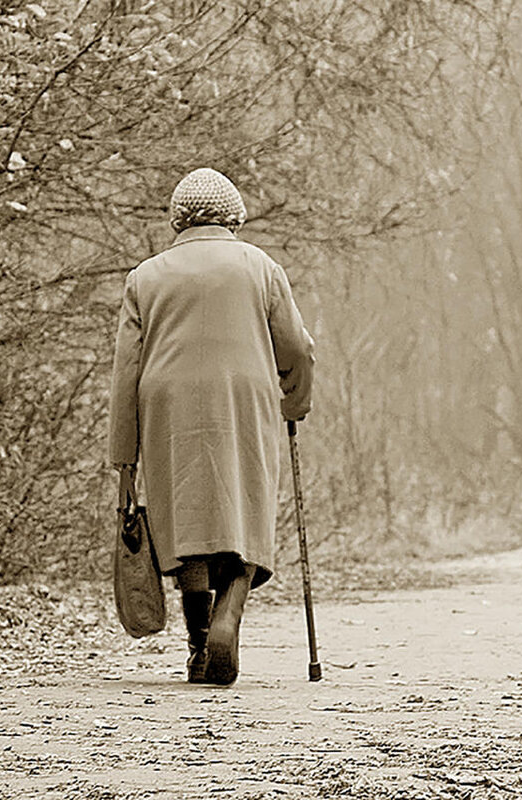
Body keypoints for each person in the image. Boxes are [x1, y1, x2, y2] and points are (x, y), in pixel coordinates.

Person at [108, 168, 315, 685]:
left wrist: (124, 459)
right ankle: (229, 616)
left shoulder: (145, 277)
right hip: (242, 398)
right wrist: (295, 401)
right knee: (245, 509)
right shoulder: (260, 268)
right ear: (234, 215)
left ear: (178, 217)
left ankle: (200, 645)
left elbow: (125, 373)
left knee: (188, 521)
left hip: (167, 406)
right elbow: (297, 349)